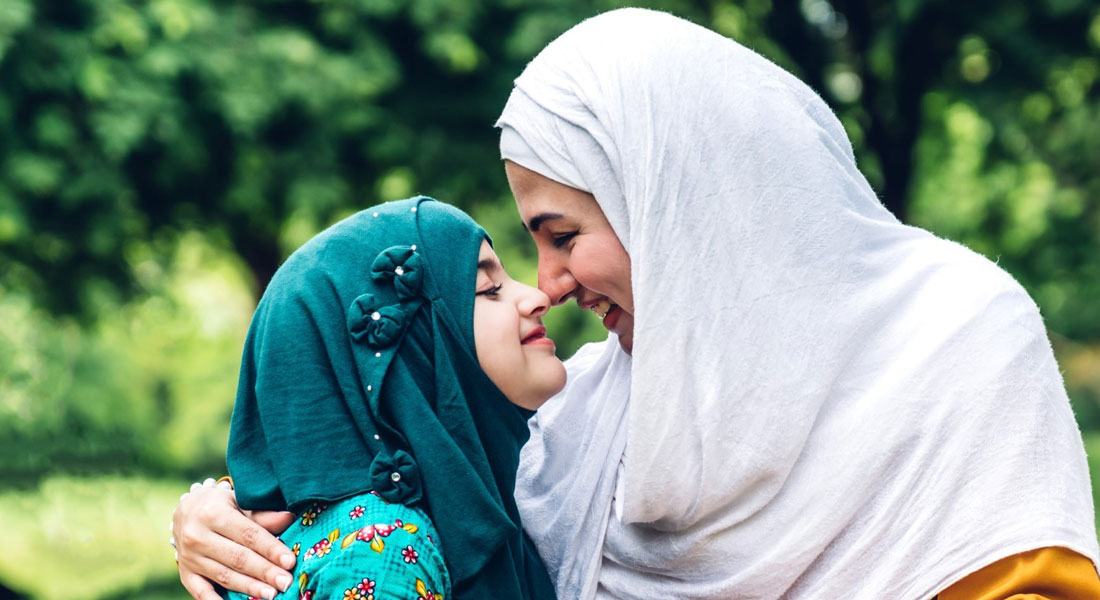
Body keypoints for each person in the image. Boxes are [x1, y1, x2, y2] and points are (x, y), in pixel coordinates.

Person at [174, 8, 1100, 600]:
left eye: (563, 234)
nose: (556, 286)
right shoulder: (585, 424)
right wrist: (220, 521)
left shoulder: (961, 340)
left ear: (672, 200)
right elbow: (417, 468)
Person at [178, 196, 559, 600]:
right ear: (413, 355)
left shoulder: (476, 496)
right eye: (489, 288)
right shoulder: (380, 552)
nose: (538, 296)